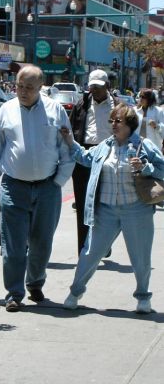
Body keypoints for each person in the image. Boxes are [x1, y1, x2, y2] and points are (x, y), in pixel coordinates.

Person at [0, 65, 75, 312]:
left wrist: (58, 181)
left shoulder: (55, 111)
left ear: (40, 87)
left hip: (47, 188)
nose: (23, 92)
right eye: (19, 86)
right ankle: (14, 293)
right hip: (14, 186)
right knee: (13, 245)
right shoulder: (6, 110)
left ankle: (35, 283)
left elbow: (67, 149)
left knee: (42, 242)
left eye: (29, 88)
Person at [61, 103, 164, 313]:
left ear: (130, 124)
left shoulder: (144, 146)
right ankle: (75, 292)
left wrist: (145, 167)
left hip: (136, 209)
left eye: (118, 121)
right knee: (90, 253)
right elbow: (85, 158)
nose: (113, 124)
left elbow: (162, 169)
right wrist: (70, 141)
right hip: (105, 210)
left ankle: (143, 297)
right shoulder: (105, 146)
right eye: (112, 120)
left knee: (141, 256)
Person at [69, 69, 116, 255]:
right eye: (92, 87)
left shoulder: (117, 106)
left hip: (108, 158)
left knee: (104, 205)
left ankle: (104, 243)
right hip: (84, 157)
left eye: (99, 87)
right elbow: (72, 130)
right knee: (83, 205)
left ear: (108, 87)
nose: (95, 90)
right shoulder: (82, 104)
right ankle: (84, 248)